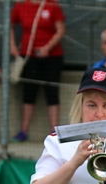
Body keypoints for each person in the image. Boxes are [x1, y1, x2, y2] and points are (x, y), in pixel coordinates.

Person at [10, 0, 66, 142]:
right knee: (29, 92)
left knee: (52, 92)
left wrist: (47, 47)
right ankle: (23, 130)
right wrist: (12, 46)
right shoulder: (22, 5)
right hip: (29, 55)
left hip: (52, 56)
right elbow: (9, 24)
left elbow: (60, 30)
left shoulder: (52, 5)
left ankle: (54, 131)